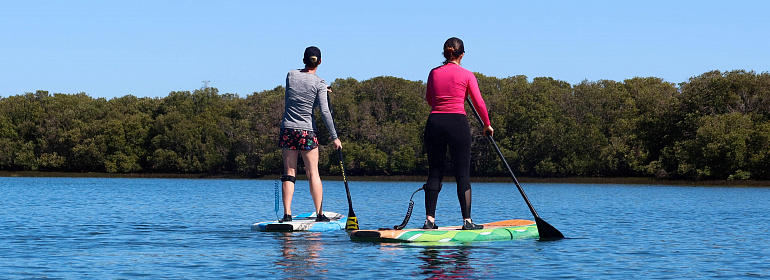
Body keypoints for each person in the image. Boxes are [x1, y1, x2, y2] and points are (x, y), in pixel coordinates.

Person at [423, 37, 494, 230]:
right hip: (457, 124)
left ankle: (429, 221)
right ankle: (467, 222)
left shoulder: (433, 73)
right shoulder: (467, 75)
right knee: (462, 174)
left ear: (445, 53)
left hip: (435, 123)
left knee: (435, 173)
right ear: (462, 55)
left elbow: (430, 99)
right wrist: (487, 125)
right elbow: (479, 102)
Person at [278, 46, 342, 222]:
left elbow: (297, 100)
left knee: (289, 173)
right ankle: (320, 214)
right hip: (307, 131)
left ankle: (287, 215)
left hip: (288, 129)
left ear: (303, 60)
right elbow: (324, 111)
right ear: (320, 62)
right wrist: (334, 137)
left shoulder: (290, 75)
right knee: (313, 172)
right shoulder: (320, 83)